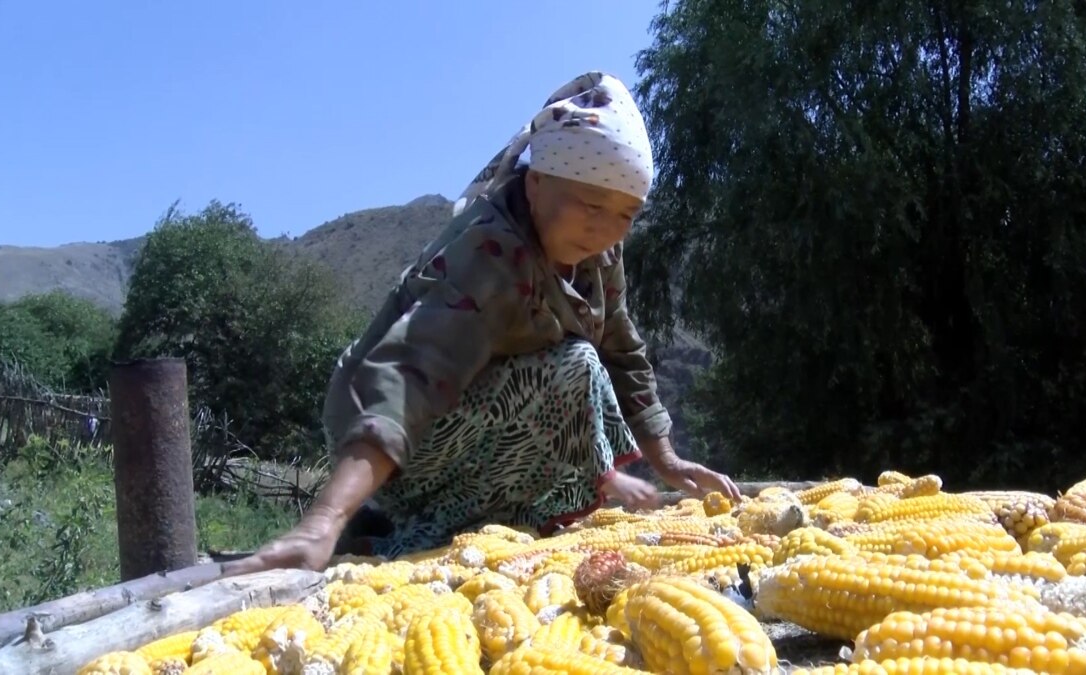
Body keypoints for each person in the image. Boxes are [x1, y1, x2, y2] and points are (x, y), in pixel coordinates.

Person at [225, 72, 740, 576]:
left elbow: (622, 350)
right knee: (575, 366)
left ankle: (398, 524)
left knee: (583, 365)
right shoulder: (490, 254)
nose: (605, 228)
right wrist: (323, 519)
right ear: (536, 185)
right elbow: (412, 373)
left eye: (626, 215)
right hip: (384, 416)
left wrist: (669, 461)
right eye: (589, 205)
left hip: (479, 416)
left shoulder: (600, 257)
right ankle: (385, 520)